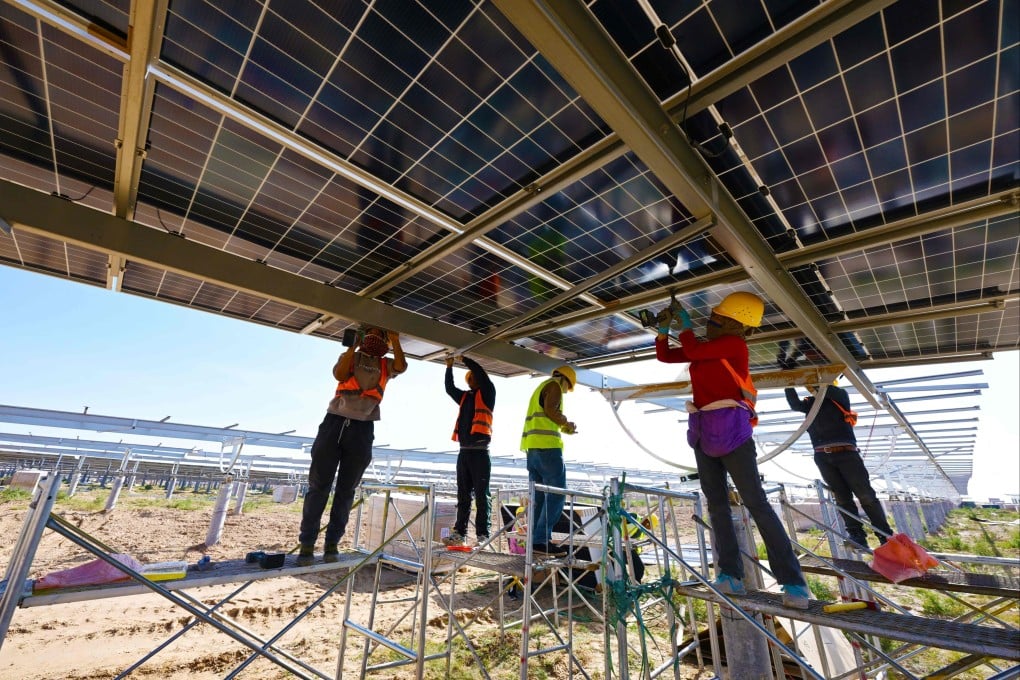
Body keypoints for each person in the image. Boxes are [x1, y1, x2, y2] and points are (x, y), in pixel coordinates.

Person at [654, 292, 811, 609]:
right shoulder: (707, 350)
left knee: (755, 502)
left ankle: (793, 583)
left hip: (733, 431)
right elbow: (667, 357)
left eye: (715, 318)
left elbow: (693, 348)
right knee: (716, 505)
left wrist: (683, 326)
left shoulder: (734, 346)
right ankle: (729, 575)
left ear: (735, 323)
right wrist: (662, 330)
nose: (708, 322)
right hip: (703, 430)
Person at [296, 325, 407, 566]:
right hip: (334, 423)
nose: (376, 339)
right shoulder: (351, 357)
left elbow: (402, 366)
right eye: (372, 334)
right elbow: (339, 374)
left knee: (346, 490)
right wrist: (353, 346)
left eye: (381, 335)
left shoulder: (386, 364)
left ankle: (332, 544)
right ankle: (306, 544)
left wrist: (395, 340)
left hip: (363, 427)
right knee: (319, 486)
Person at [781, 373, 893, 548]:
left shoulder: (839, 396)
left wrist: (809, 377)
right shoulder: (810, 403)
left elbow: (826, 390)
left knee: (865, 495)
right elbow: (795, 404)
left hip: (846, 454)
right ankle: (857, 536)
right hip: (823, 456)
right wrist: (789, 382)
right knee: (842, 498)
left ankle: (885, 537)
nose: (811, 388)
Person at [520, 365, 578, 556]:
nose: (565, 392)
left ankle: (535, 541)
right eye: (567, 388)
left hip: (533, 449)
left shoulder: (542, 386)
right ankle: (541, 539)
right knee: (556, 494)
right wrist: (566, 422)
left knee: (538, 497)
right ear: (565, 380)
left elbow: (545, 415)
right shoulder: (554, 386)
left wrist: (562, 427)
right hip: (548, 449)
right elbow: (551, 410)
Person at [442, 354, 496, 546]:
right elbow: (449, 389)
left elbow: (482, 374)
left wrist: (465, 359)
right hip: (464, 452)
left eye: (474, 375)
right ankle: (460, 534)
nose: (473, 378)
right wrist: (449, 367)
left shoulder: (488, 392)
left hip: (480, 453)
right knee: (463, 495)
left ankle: (483, 536)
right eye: (470, 376)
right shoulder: (465, 397)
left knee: (482, 495)